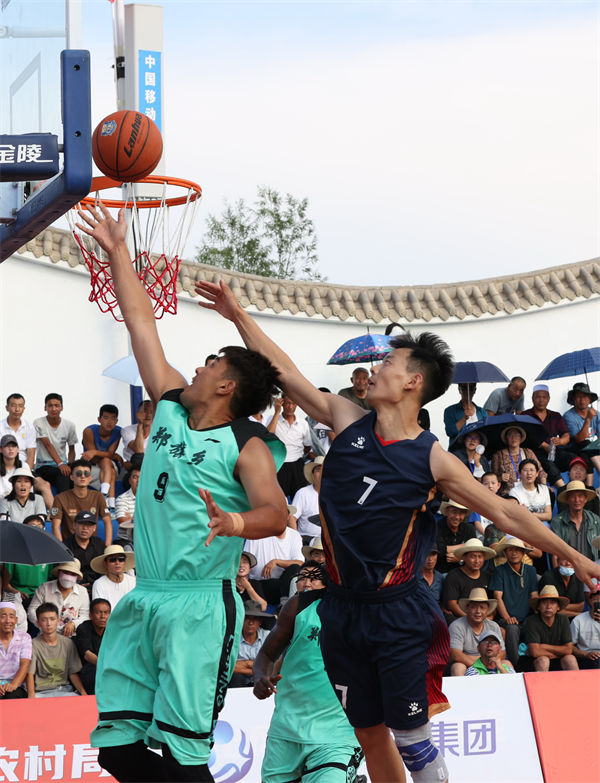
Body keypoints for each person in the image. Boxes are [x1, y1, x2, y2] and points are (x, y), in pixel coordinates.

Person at [195, 277, 600, 783]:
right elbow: (286, 373)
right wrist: (237, 314)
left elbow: (508, 514)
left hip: (397, 614)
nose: (375, 370)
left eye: (387, 363)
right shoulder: (348, 420)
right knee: (367, 733)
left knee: (410, 737)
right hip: (342, 608)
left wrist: (576, 558)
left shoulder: (432, 458)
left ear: (412, 382)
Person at [76, 203, 288, 783]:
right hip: (147, 594)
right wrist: (118, 251)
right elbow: (141, 323)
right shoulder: (170, 405)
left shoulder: (246, 444)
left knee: (183, 755)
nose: (199, 366)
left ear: (226, 386)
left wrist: (235, 524)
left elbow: (276, 514)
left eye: (212, 363)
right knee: (117, 750)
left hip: (201, 604)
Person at [253, 562, 364, 783]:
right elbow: (265, 654)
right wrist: (260, 678)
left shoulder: (369, 612)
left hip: (338, 735)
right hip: (287, 729)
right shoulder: (299, 605)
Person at [489, 537, 539, 666]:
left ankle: (534, 665)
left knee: (536, 623)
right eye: (510, 550)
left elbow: (534, 595)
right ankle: (515, 666)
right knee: (511, 629)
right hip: (506, 618)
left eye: (518, 550)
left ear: (523, 553)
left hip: (527, 617)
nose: (514, 553)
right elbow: (497, 596)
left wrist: (537, 614)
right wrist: (507, 618)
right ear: (505, 553)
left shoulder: (531, 570)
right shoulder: (500, 570)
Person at [244, 508, 304, 606]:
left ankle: (284, 604)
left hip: (283, 585)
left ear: (288, 516)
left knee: (295, 568)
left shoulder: (294, 535)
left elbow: (300, 563)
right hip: (260, 584)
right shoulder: (257, 532)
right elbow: (246, 559)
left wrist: (276, 561)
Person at [27, 602, 86, 697]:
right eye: (44, 620)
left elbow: (73, 673)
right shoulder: (33, 644)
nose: (48, 623)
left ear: (58, 621)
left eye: (52, 619)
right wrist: (31, 697)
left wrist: (83, 693)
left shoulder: (68, 643)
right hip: (41, 693)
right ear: (38, 623)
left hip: (64, 690)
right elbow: (30, 674)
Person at [50, 459, 113, 545]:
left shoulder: (98, 496)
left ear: (90, 478)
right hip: (69, 546)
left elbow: (107, 521)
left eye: (86, 474)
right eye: (79, 473)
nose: (83, 476)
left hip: (92, 546)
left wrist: (108, 546)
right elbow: (55, 526)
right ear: (72, 477)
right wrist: (62, 549)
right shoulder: (60, 498)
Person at [522, 384, 571, 487]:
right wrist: (544, 445)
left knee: (571, 458)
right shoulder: (524, 415)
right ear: (532, 398)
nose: (541, 400)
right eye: (538, 397)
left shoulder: (555, 416)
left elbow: (566, 435)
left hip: (554, 450)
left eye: (544, 397)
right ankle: (562, 489)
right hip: (534, 453)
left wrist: (560, 441)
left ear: (548, 399)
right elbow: (524, 436)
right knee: (549, 466)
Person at [449, 588, 505, 676]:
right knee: (458, 667)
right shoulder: (457, 626)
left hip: (490, 663)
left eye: (482, 608)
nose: (478, 611)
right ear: (467, 608)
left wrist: (487, 662)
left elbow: (502, 653)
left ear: (487, 610)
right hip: (466, 664)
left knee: (507, 664)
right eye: (474, 607)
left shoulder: (493, 626)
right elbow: (456, 655)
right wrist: (481, 663)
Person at [522, 585, 578, 671]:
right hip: (535, 661)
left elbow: (568, 649)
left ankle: (576, 680)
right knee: (543, 660)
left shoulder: (563, 619)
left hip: (559, 660)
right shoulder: (532, 621)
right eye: (544, 602)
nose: (548, 606)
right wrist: (557, 653)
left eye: (552, 602)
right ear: (539, 606)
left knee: (570, 659)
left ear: (558, 607)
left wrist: (544, 646)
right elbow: (535, 652)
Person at [27, 560, 90, 637]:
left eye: (73, 574)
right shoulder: (44, 588)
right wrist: (44, 623)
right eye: (66, 572)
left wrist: (74, 624)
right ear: (59, 572)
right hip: (46, 636)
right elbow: (32, 610)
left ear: (77, 577)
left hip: (72, 637)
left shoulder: (82, 591)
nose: (68, 578)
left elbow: (85, 615)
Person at [3, 515, 55, 606]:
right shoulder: (13, 551)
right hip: (17, 596)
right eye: (32, 526)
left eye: (39, 526)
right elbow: (6, 585)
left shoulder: (48, 551)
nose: (36, 529)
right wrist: (17, 593)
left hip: (41, 595)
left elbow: (50, 580)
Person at [268, 396, 314, 498]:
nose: (290, 407)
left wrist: (299, 454)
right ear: (282, 403)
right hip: (280, 465)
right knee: (279, 499)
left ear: (297, 404)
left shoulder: (303, 423)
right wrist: (277, 412)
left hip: (297, 465)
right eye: (287, 403)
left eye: (293, 403)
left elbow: (307, 446)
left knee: (299, 497)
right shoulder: (273, 419)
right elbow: (268, 435)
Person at [34, 392, 78, 494]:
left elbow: (71, 450)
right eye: (50, 406)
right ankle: (63, 503)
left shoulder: (70, 425)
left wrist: (70, 466)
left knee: (77, 475)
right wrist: (61, 464)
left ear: (62, 407)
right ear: (45, 408)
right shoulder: (38, 422)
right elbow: (48, 445)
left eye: (57, 405)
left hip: (63, 464)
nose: (53, 409)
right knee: (63, 474)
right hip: (44, 466)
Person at [82, 404, 122, 513]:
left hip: (108, 464)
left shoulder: (118, 431)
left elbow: (109, 453)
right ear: (99, 419)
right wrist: (110, 455)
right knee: (110, 469)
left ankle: (103, 494)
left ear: (116, 421)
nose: (109, 422)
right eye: (106, 418)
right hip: (92, 465)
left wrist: (95, 452)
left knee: (106, 461)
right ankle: (111, 505)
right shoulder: (89, 431)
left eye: (113, 418)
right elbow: (94, 458)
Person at [441, 538, 494, 621]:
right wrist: (472, 619)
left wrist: (488, 618)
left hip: (483, 619)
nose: (477, 561)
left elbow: (493, 603)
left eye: (480, 557)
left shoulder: (487, 576)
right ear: (464, 557)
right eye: (473, 556)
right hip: (460, 619)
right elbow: (452, 604)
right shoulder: (454, 576)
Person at [551, 481, 600, 565]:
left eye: (580, 496)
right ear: (567, 500)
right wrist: (557, 573)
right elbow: (555, 554)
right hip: (569, 568)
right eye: (573, 496)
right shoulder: (558, 522)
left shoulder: (595, 520)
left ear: (585, 499)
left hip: (592, 568)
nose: (577, 500)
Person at [229, 600, 275, 688]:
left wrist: (243, 664)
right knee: (236, 677)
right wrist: (254, 666)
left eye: (255, 618)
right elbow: (228, 666)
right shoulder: (233, 637)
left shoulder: (268, 636)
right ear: (241, 619)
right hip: (238, 684)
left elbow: (273, 666)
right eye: (247, 618)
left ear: (260, 621)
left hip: (263, 681)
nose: (250, 622)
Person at [563, 382, 600, 482]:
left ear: (589, 399)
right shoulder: (568, 416)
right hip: (575, 447)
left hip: (591, 449)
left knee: (590, 449)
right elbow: (579, 439)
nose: (582, 400)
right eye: (578, 397)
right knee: (586, 444)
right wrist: (588, 419)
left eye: (585, 396)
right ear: (573, 399)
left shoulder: (596, 413)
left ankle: (590, 487)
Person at [63, 510, 106, 591]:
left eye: (89, 525)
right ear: (74, 525)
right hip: (72, 588)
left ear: (94, 528)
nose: (85, 528)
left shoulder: (99, 544)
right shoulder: (65, 546)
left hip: (98, 587)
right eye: (82, 524)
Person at [75, 598, 111, 694]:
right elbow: (87, 654)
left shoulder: (113, 629)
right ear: (90, 615)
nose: (103, 616)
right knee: (93, 670)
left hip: (109, 666)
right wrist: (106, 666)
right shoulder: (84, 628)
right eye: (98, 612)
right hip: (89, 670)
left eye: (106, 613)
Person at [491, 425, 539, 492]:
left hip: (527, 490)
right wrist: (500, 478)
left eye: (516, 435)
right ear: (506, 438)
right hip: (507, 493)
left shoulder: (528, 452)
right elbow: (491, 478)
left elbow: (540, 470)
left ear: (520, 438)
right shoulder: (498, 455)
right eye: (510, 435)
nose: (513, 438)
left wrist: (543, 487)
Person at [435, 499, 477, 574]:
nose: (457, 517)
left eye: (461, 513)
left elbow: (474, 550)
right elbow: (439, 550)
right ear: (447, 511)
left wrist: (461, 558)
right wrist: (465, 546)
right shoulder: (437, 527)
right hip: (441, 572)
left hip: (464, 572)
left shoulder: (468, 529)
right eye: (454, 512)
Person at [0, 602, 31, 699]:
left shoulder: (24, 637)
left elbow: (25, 664)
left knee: (12, 696)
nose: (7, 620)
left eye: (11, 616)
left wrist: (13, 684)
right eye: (3, 616)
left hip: (16, 686)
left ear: (16, 620)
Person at [91, 545, 136, 610]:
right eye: (112, 560)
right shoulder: (99, 584)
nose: (117, 563)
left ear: (125, 562)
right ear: (105, 563)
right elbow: (100, 610)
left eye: (121, 559)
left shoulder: (133, 581)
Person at [509, 459, 552, 523]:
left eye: (532, 470)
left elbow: (548, 516)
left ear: (537, 473)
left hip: (542, 524)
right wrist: (540, 516)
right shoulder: (514, 492)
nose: (529, 473)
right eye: (525, 470)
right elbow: (518, 516)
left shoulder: (544, 489)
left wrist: (531, 514)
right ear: (520, 473)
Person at [290, 457, 323, 540]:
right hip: (306, 538)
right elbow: (291, 517)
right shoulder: (303, 493)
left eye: (325, 470)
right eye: (318, 470)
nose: (322, 473)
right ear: (312, 474)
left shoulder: (334, 494)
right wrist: (297, 539)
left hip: (327, 540)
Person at [570, 585, 600, 669]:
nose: (598, 602)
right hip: (585, 657)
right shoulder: (578, 620)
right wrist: (586, 654)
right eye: (595, 600)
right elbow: (570, 646)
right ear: (590, 601)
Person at [120, 400, 154, 471]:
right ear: (138, 414)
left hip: (152, 466)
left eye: (151, 412)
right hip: (133, 467)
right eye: (145, 411)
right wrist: (140, 424)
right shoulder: (127, 430)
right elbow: (139, 450)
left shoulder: (159, 431)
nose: (148, 415)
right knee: (138, 459)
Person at [114, 466, 141, 546]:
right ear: (129, 480)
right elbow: (124, 523)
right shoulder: (122, 499)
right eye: (135, 477)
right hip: (126, 541)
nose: (138, 480)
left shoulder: (152, 499)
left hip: (146, 541)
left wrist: (132, 520)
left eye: (142, 477)